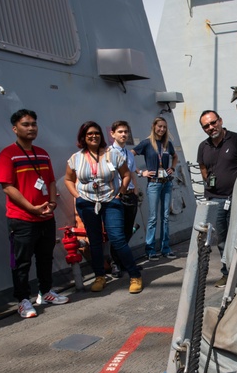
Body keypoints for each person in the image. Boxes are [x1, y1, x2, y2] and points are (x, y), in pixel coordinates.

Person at [0, 109, 69, 319]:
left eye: (33, 124)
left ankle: (46, 292)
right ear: (15, 128)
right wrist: (31, 207)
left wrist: (53, 202)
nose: (31, 128)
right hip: (22, 219)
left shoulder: (42, 153)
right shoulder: (8, 154)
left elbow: (51, 181)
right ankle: (22, 300)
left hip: (46, 216)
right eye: (26, 124)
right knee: (21, 261)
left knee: (45, 257)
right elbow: (7, 187)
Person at [63, 121, 143, 294]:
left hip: (110, 200)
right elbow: (68, 179)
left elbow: (126, 174)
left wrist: (120, 194)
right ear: (83, 137)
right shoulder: (75, 158)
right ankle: (100, 276)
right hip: (86, 203)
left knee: (118, 238)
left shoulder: (112, 154)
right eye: (89, 134)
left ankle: (134, 275)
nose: (94, 136)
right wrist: (77, 196)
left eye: (97, 133)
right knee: (95, 241)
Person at [196, 110, 237, 287]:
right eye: (206, 126)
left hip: (235, 198)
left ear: (220, 121)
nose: (210, 127)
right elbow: (202, 168)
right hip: (215, 200)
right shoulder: (203, 146)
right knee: (221, 239)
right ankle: (227, 273)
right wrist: (209, 182)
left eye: (213, 122)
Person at [133, 116, 178, 260]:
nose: (162, 129)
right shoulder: (146, 143)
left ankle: (166, 248)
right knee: (153, 218)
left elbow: (175, 156)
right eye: (160, 126)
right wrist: (141, 172)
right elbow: (129, 156)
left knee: (165, 217)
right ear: (154, 126)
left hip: (167, 182)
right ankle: (150, 249)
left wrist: (172, 167)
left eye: (164, 127)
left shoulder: (167, 144)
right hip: (153, 183)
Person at [109, 120, 139, 274]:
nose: (124, 135)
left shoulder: (129, 154)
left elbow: (132, 173)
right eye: (120, 132)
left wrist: (136, 191)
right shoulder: (108, 153)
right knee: (117, 233)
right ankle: (115, 263)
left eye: (126, 132)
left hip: (130, 196)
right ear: (112, 133)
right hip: (116, 196)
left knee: (128, 230)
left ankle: (123, 261)